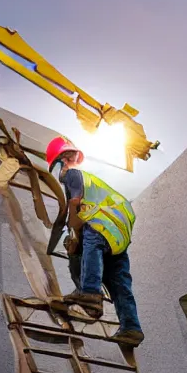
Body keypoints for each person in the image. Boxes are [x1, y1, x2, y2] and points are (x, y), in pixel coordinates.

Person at [45, 135, 144, 346]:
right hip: (118, 232)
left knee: (87, 245)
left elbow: (75, 203)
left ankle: (89, 294)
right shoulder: (92, 181)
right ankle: (131, 327)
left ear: (62, 160)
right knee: (119, 280)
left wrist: (73, 232)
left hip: (102, 222)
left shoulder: (72, 174)